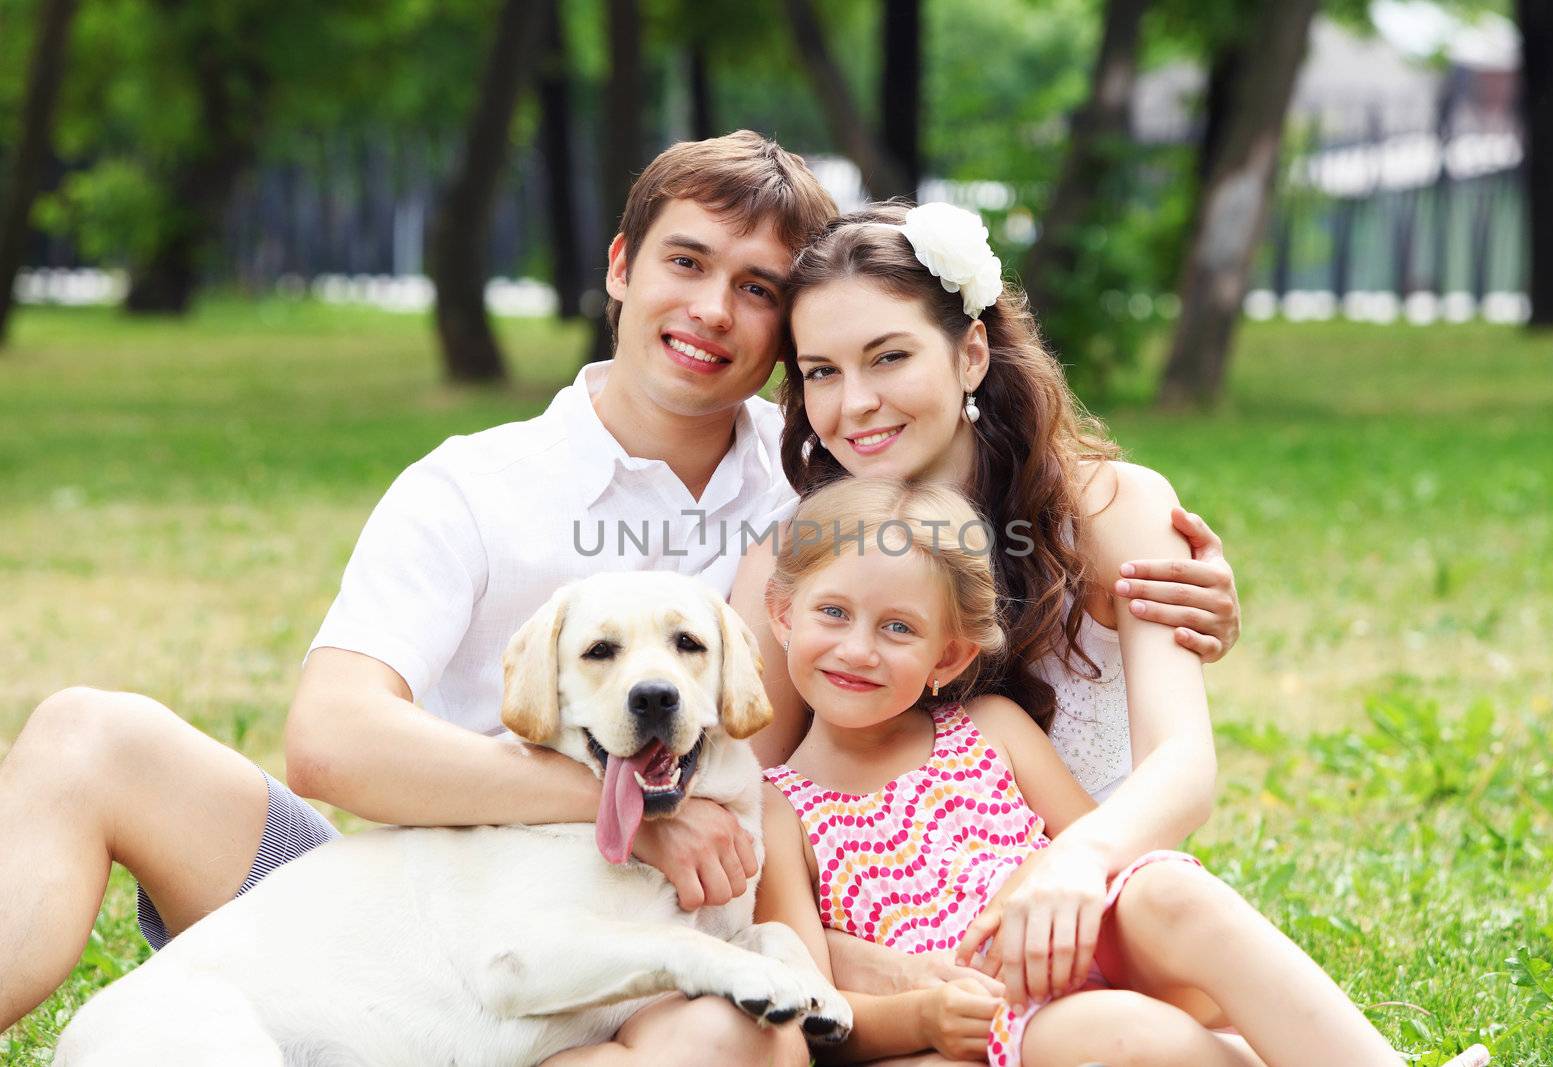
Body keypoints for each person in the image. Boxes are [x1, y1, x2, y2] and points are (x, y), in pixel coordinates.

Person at [0, 133, 1236, 1061]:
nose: (710, 310)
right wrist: (632, 807)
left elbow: (942, 569)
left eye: (757, 290)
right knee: (88, 731)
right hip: (384, 900)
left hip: (609, 939)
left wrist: (1167, 580)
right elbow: (330, 738)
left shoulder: (819, 481)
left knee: (697, 1033)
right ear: (619, 268)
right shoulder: (476, 481)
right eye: (685, 264)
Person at [754, 476, 1490, 1067]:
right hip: (986, 1024)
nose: (858, 648)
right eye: (833, 612)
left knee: (1168, 887)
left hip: (1082, 953)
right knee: (1118, 1034)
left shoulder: (989, 730)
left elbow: (1105, 852)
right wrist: (923, 1014)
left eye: (898, 627)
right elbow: (811, 1005)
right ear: (783, 613)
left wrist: (1043, 891)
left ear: (948, 656)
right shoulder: (779, 810)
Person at [731, 201, 1243, 1003]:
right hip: (913, 959)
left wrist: (1074, 859)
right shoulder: (795, 558)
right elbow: (741, 816)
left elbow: (1183, 766)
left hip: (1105, 902)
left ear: (972, 353)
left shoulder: (1114, 512)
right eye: (820, 371)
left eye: (888, 356)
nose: (853, 402)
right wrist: (874, 971)